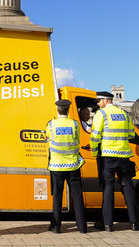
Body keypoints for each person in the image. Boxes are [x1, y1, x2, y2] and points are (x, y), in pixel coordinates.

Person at [90, 91, 139, 232]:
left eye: (99, 101)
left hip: (108, 157)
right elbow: (131, 134)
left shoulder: (102, 114)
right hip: (124, 156)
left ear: (106, 100)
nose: (98, 104)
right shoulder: (124, 114)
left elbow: (95, 136)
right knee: (128, 187)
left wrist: (95, 153)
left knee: (108, 188)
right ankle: (135, 223)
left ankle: (108, 224)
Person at [46, 99, 86, 234]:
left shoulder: (51, 125)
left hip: (57, 167)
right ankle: (82, 228)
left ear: (58, 110)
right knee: (77, 196)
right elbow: (77, 140)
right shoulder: (74, 125)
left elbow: (47, 138)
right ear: (68, 110)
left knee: (57, 196)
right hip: (73, 166)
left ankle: (56, 228)